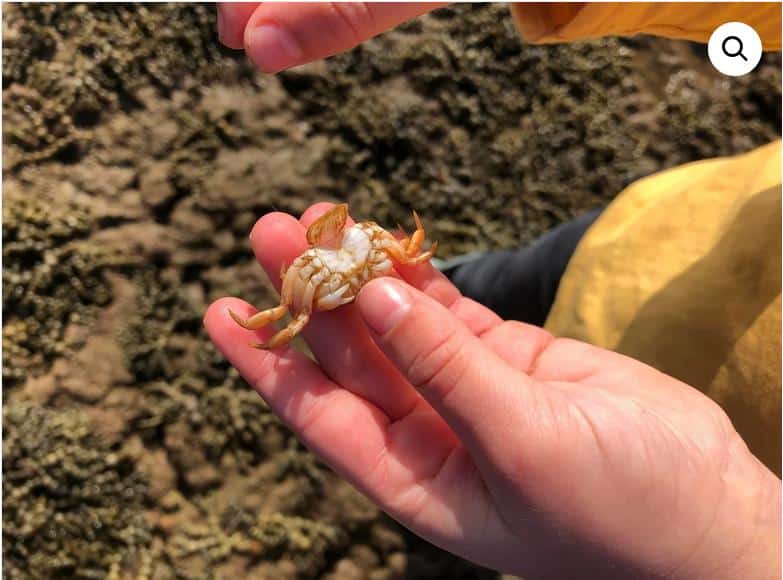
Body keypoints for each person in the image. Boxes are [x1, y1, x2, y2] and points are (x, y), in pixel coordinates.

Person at [205, 4, 781, 578]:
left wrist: (729, 540)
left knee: (426, 318)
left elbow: (398, 253)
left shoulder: (365, 248)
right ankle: (468, 278)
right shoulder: (345, 250)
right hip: (646, 241)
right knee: (477, 291)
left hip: (659, 418)